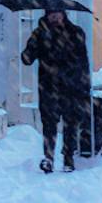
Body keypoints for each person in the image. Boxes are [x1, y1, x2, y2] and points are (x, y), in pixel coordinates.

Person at [21, 10, 90, 173]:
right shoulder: (39, 34)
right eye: (52, 15)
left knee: (70, 124)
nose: (55, 18)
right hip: (48, 86)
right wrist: (28, 53)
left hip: (71, 86)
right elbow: (28, 57)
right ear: (47, 15)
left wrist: (85, 85)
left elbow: (83, 61)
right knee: (49, 124)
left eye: (58, 14)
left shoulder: (76, 32)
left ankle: (68, 157)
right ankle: (48, 158)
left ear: (64, 15)